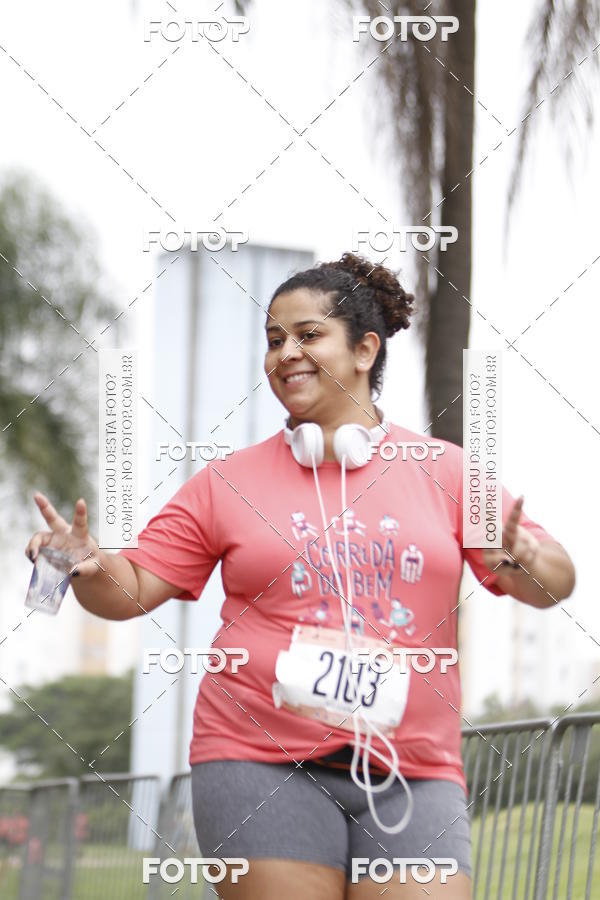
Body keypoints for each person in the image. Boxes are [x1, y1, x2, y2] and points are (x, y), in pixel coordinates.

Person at [26, 252, 576, 899]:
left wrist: (529, 558)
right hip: (256, 759)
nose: (285, 353)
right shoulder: (228, 482)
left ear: (365, 349)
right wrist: (83, 564)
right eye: (274, 340)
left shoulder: (447, 472)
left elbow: (552, 585)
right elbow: (133, 586)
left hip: (414, 768)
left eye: (308, 335)